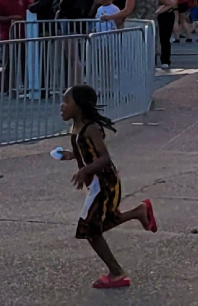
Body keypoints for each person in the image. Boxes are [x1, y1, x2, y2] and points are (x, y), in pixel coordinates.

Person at [59, 84, 156, 289]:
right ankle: (140, 211)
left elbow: (104, 158)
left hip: (104, 183)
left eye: (67, 101)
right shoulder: (77, 127)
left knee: (90, 230)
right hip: (95, 185)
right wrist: (72, 155)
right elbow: (87, 152)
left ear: (80, 106)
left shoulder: (90, 128)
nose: (62, 105)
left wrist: (84, 171)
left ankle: (116, 273)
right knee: (99, 224)